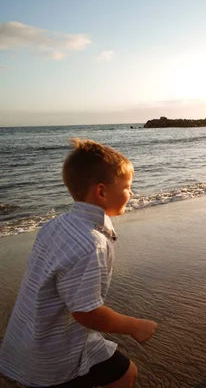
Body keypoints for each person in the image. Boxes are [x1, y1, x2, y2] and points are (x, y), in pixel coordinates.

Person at [0, 139, 157, 388]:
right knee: (125, 374)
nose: (132, 193)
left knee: (124, 373)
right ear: (102, 192)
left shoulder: (55, 224)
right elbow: (86, 312)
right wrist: (134, 326)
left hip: (29, 336)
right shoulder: (91, 243)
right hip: (54, 351)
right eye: (128, 187)